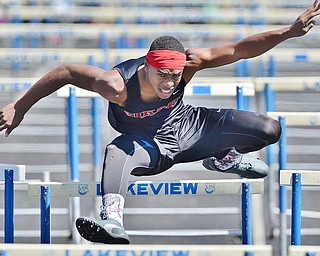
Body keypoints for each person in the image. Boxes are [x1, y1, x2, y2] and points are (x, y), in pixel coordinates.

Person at [1, 1, 319, 244]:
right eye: (162, 76)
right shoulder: (117, 85)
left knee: (269, 129)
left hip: (188, 126)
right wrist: (21, 106)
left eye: (175, 77)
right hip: (146, 146)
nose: (169, 83)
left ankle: (223, 156)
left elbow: (239, 50)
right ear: (147, 68)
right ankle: (112, 218)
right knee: (116, 151)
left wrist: (288, 32)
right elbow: (66, 72)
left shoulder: (190, 63)